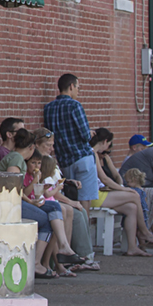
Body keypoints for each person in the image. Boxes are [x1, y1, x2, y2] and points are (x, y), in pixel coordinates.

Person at [0, 129, 73, 279]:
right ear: (32, 147)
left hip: (16, 201)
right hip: (8, 204)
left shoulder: (16, 158)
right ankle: (37, 264)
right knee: (45, 220)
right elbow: (13, 188)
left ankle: (64, 246)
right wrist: (30, 201)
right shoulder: (16, 159)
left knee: (54, 206)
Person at [34, 128, 98, 271]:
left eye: (52, 145)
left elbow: (55, 181)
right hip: (48, 198)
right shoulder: (39, 162)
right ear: (37, 145)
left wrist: (69, 181)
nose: (51, 149)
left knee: (78, 212)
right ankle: (77, 256)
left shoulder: (49, 160)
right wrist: (71, 201)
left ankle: (71, 253)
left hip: (54, 196)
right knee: (72, 211)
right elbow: (48, 189)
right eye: (48, 145)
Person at [89, 128, 153, 256]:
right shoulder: (92, 153)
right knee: (134, 194)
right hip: (94, 195)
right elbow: (104, 178)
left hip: (99, 192)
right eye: (109, 145)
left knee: (131, 208)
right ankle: (144, 231)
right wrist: (123, 188)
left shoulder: (93, 153)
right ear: (105, 141)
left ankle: (132, 247)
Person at [43, 74, 99, 209]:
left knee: (70, 196)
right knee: (85, 199)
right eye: (78, 88)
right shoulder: (75, 105)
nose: (78, 91)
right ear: (71, 86)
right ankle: (84, 228)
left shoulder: (48, 108)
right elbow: (85, 135)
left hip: (64, 161)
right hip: (81, 157)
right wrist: (90, 132)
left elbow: (49, 135)